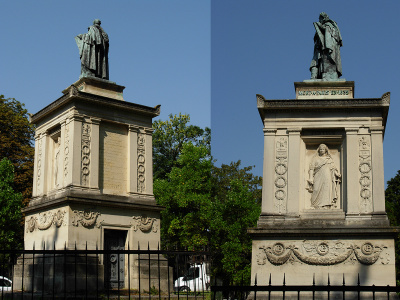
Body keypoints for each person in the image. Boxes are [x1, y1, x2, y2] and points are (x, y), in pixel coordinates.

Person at [310, 12, 343, 81]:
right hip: (321, 48)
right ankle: (318, 75)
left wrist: (319, 26)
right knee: (318, 62)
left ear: (323, 18)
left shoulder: (329, 25)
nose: (319, 20)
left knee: (327, 60)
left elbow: (327, 33)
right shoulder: (329, 26)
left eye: (320, 19)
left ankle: (329, 75)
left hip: (327, 47)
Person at [307, 144, 341, 209]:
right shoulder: (315, 159)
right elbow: (311, 169)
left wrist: (337, 173)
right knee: (316, 189)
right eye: (321, 149)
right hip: (318, 176)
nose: (322, 150)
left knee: (326, 190)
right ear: (319, 150)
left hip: (327, 176)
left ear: (325, 150)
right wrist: (311, 178)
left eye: (323, 149)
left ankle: (326, 205)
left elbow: (333, 168)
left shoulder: (329, 159)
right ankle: (315, 205)